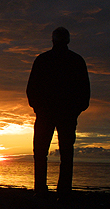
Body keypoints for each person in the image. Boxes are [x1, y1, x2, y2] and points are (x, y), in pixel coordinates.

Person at [26, 27, 90, 198]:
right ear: (67, 40)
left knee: (42, 153)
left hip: (53, 114)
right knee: (65, 153)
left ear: (53, 40)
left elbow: (31, 89)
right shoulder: (75, 61)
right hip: (58, 114)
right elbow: (85, 93)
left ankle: (42, 189)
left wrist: (39, 108)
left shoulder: (43, 60)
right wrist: (75, 110)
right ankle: (61, 190)